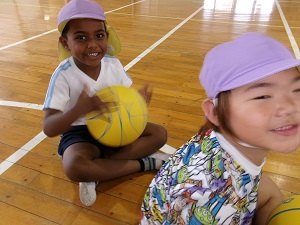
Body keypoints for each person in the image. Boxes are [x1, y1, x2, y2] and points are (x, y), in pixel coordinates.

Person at [140, 32, 300, 225]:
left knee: (272, 194)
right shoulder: (213, 208)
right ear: (214, 112)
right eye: (263, 96)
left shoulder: (218, 133)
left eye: (297, 90)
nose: (290, 106)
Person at [43, 0, 167, 207]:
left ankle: (98, 169)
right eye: (81, 37)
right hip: (81, 134)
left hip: (117, 125)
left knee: (159, 134)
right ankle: (143, 163)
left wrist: (137, 103)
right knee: (74, 167)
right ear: (65, 43)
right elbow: (49, 127)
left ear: (106, 37)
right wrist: (78, 110)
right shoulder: (63, 75)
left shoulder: (113, 64)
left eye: (98, 36)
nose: (92, 44)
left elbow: (124, 98)